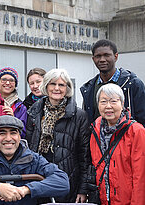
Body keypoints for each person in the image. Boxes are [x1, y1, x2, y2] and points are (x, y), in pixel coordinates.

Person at [25, 68, 91, 203]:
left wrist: (83, 190)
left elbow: (85, 156)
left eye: (61, 85)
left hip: (67, 180)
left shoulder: (79, 116)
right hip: (37, 177)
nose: (57, 88)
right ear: (46, 86)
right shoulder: (33, 112)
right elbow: (29, 148)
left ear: (67, 88)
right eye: (52, 84)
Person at [80, 39, 145, 145]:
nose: (102, 59)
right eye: (98, 56)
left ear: (116, 56)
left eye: (107, 55)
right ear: (93, 59)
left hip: (128, 147)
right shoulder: (89, 88)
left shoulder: (132, 84)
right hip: (99, 150)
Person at [90, 83, 145, 205]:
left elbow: (142, 179)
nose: (108, 106)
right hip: (104, 200)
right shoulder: (95, 131)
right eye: (103, 102)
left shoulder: (137, 132)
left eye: (113, 101)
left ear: (122, 104)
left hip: (128, 201)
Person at [0, 67, 28, 136]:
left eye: (11, 80)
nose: (7, 83)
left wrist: (13, 119)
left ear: (15, 85)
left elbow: (23, 133)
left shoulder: (21, 107)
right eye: (4, 80)